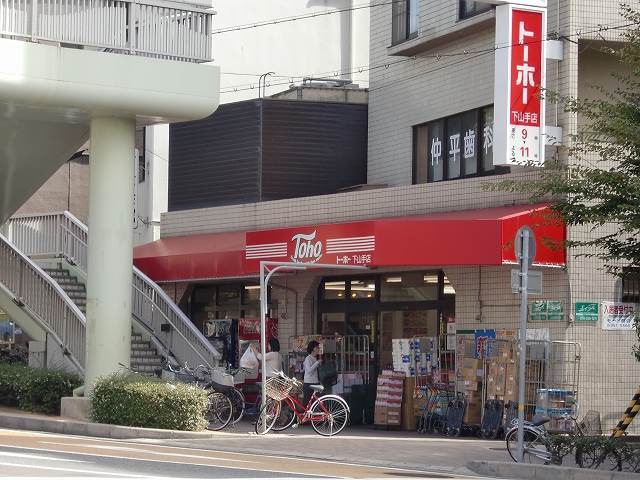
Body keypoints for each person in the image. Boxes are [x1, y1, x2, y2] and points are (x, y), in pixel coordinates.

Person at [303, 340, 322, 406]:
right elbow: (309, 371)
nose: (318, 349)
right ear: (313, 348)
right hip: (309, 383)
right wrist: (317, 363)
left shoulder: (314, 358)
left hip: (315, 382)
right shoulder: (308, 359)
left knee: (317, 402)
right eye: (317, 347)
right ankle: (306, 416)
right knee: (307, 403)